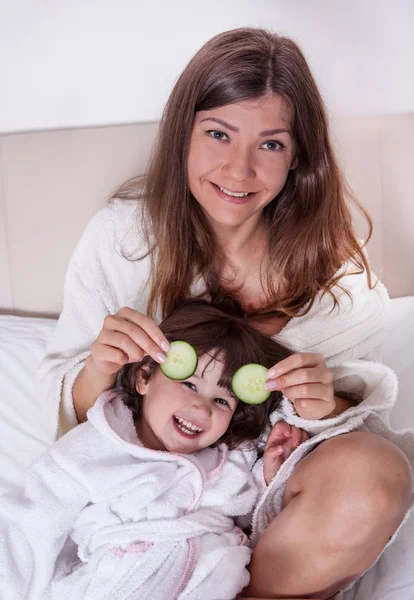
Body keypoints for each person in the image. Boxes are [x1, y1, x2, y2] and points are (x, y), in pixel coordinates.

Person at [38, 27, 412, 599]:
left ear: (298, 158)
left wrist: (323, 405)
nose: (239, 172)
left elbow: (343, 424)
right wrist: (97, 368)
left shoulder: (342, 286)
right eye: (218, 134)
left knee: (378, 474)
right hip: (144, 509)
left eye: (270, 145)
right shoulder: (124, 240)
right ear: (182, 135)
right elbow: (67, 421)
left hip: (268, 510)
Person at [0, 300, 309, 600]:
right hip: (119, 580)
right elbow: (28, 528)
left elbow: (255, 522)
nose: (201, 408)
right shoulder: (92, 450)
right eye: (189, 384)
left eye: (221, 401)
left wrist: (269, 476)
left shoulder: (227, 463)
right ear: (144, 377)